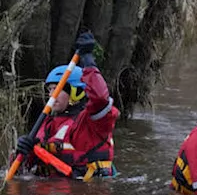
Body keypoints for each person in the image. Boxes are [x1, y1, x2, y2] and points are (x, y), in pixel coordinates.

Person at [14, 31, 119, 180]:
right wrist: (24, 152)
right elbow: (21, 172)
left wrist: (88, 61)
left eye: (57, 90)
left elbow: (101, 98)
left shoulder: (92, 122)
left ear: (76, 92)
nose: (51, 95)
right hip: (50, 194)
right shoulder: (46, 124)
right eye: (49, 90)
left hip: (84, 194)